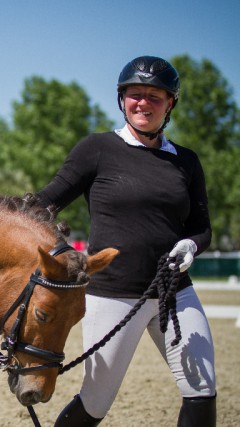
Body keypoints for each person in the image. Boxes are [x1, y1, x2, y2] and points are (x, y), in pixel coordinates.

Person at [36, 56, 216, 426]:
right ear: (122, 100)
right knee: (95, 403)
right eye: (135, 95)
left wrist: (192, 246)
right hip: (112, 295)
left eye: (155, 96)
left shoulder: (187, 161)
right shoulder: (97, 149)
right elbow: (43, 206)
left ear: (170, 104)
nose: (143, 103)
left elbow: (202, 228)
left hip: (174, 292)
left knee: (202, 389)